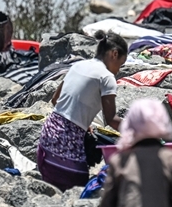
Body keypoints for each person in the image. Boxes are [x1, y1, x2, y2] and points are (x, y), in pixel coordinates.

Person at [36, 32, 127, 190]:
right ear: (114, 54)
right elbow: (111, 119)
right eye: (120, 64)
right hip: (64, 154)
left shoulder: (78, 65)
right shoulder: (107, 77)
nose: (118, 71)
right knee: (83, 193)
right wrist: (142, 132)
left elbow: (55, 100)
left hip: (45, 145)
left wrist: (83, 122)